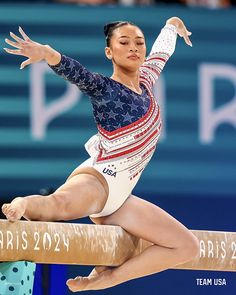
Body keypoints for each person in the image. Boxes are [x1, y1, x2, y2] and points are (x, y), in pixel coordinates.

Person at [2, 17, 199, 292]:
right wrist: (47, 53)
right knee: (58, 206)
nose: (134, 48)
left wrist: (171, 25)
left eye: (139, 43)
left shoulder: (146, 79)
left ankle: (106, 278)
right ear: (110, 52)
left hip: (121, 200)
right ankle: (23, 204)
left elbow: (161, 53)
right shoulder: (105, 89)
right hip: (100, 180)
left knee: (187, 246)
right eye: (124, 42)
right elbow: (78, 73)